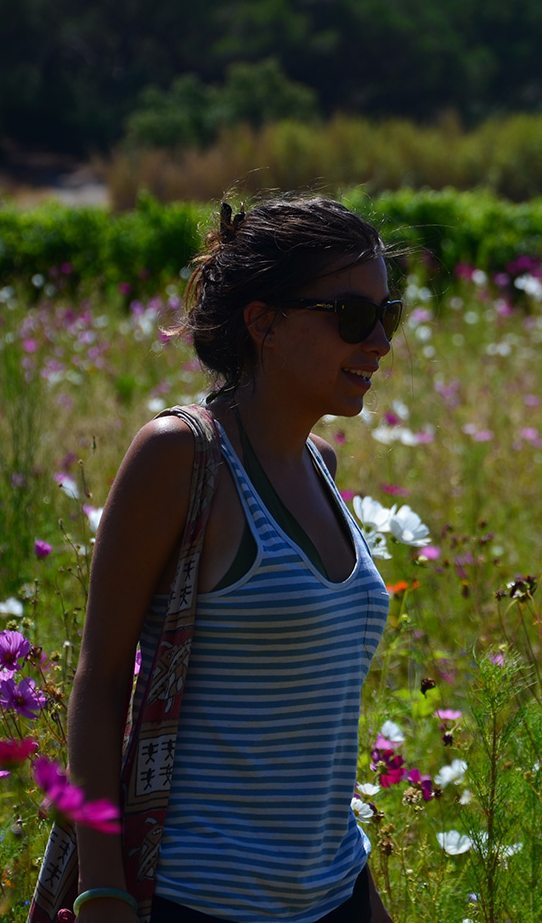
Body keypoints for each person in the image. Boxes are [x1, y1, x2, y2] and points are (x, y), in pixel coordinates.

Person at [65, 196, 401, 923]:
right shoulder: (180, 457)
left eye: (388, 313)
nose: (378, 340)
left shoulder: (322, 465)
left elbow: (314, 733)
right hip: (202, 899)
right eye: (351, 315)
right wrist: (101, 887)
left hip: (335, 892)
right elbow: (98, 683)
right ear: (264, 322)